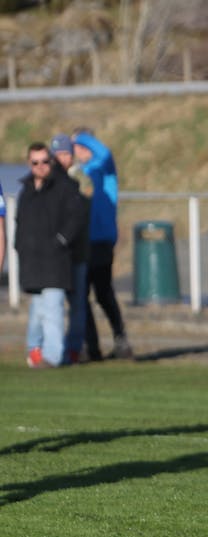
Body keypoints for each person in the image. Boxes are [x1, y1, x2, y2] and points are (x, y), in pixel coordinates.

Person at [15, 142, 87, 368]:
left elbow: (75, 219)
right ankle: (34, 349)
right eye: (35, 162)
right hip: (33, 263)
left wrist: (60, 241)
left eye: (45, 161)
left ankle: (53, 356)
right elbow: (20, 223)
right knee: (37, 312)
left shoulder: (65, 186)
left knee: (54, 309)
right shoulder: (25, 190)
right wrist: (20, 247)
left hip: (56, 262)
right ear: (29, 163)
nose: (41, 166)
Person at [72, 129, 133, 360]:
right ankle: (91, 345)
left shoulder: (104, 167)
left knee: (103, 292)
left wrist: (79, 137)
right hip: (82, 241)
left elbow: (105, 152)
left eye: (78, 144)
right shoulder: (79, 173)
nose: (75, 149)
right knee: (81, 295)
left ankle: (121, 338)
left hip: (101, 240)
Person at [51, 133, 91, 364]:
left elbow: (80, 211)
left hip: (76, 251)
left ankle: (74, 348)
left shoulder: (80, 180)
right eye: (56, 154)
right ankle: (49, 349)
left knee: (77, 303)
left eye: (65, 153)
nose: (60, 158)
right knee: (50, 303)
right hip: (55, 254)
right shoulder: (49, 178)